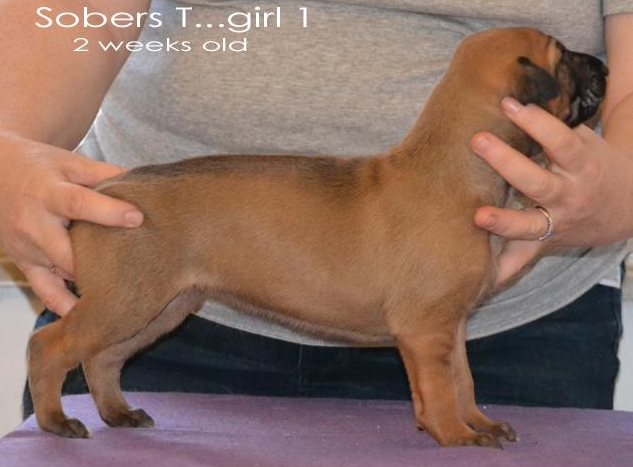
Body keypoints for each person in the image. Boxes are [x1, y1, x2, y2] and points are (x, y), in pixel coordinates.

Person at [0, 1, 630, 417]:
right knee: (105, 334)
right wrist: (8, 150)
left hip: (526, 327)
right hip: (166, 259)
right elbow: (69, 15)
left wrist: (623, 188)